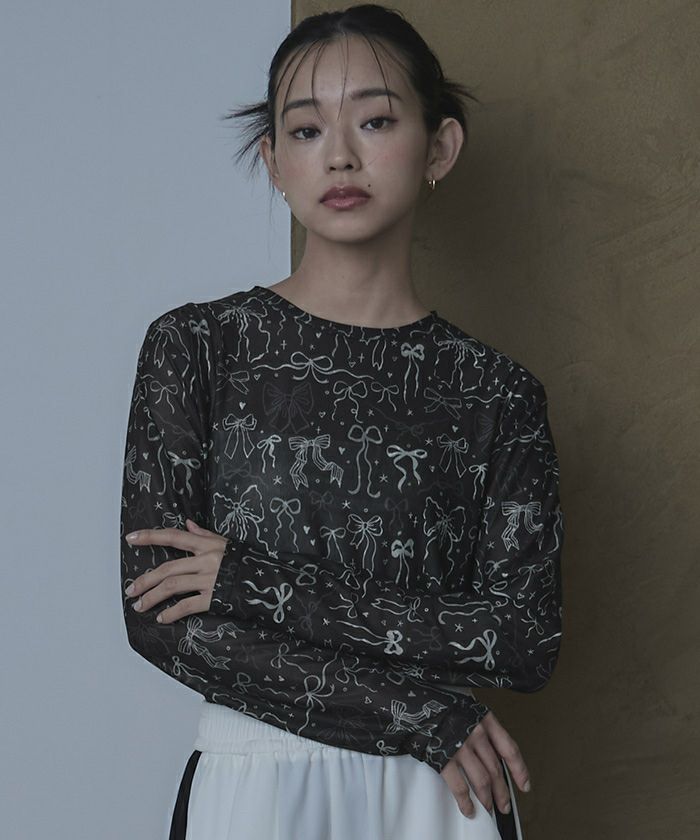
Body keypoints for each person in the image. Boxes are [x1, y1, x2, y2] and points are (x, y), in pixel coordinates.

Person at [119, 5, 564, 839]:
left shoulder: (496, 394)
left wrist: (249, 580)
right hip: (266, 784)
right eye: (306, 129)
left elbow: (521, 639)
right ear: (274, 162)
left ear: (439, 148)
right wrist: (415, 713)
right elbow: (160, 620)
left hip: (441, 799)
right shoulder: (198, 348)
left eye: (376, 120)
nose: (341, 155)